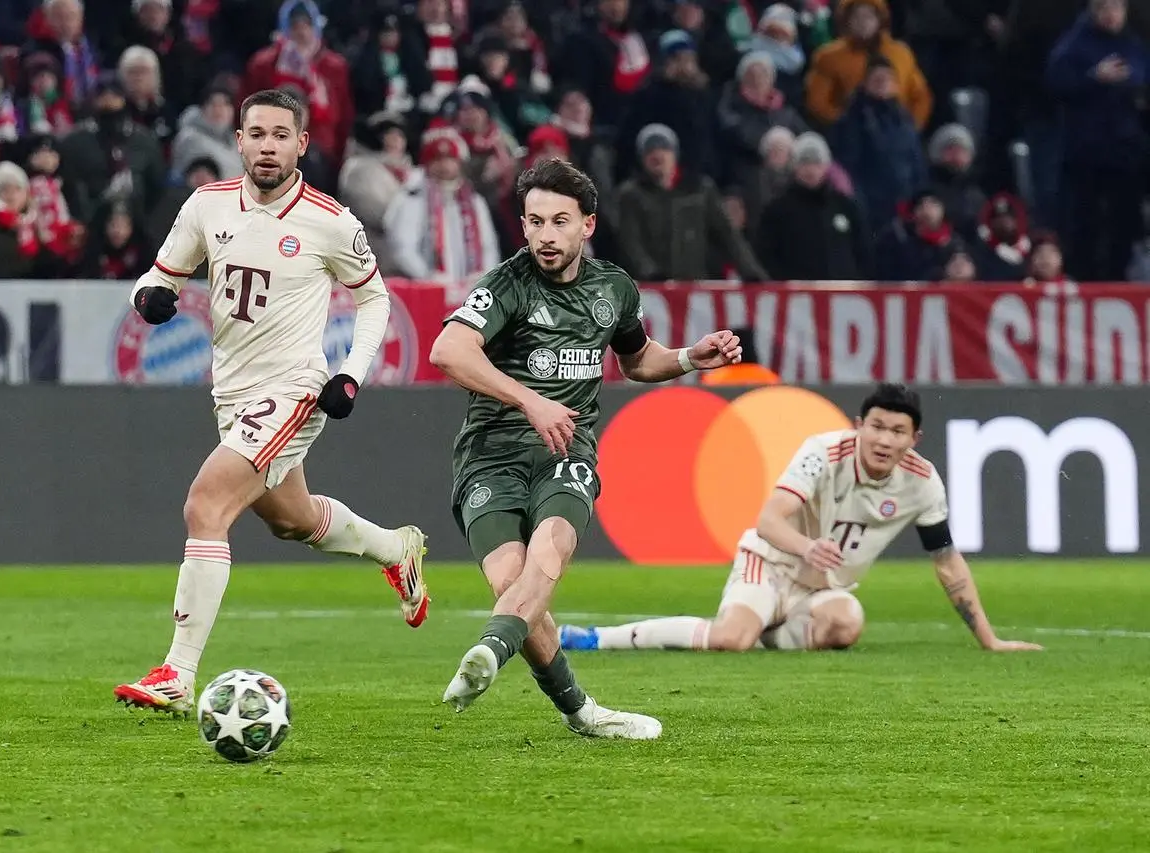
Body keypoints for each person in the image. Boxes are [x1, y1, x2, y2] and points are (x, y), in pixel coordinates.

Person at [113, 89, 429, 714]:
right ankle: (396, 548)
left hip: (292, 390)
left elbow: (375, 300)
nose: (267, 145)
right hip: (231, 392)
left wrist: (352, 375)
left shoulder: (330, 221)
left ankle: (176, 674)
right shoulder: (206, 206)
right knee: (292, 519)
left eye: (280, 135)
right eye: (256, 133)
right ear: (239, 140)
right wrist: (146, 298)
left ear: (301, 144)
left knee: (206, 505)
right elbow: (159, 275)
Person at [428, 158, 743, 739]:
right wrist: (531, 401)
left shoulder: (614, 289)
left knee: (555, 545)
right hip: (490, 453)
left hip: (565, 451)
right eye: (534, 222)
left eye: (559, 222)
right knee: (513, 586)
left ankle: (491, 651)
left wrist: (687, 359)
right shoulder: (507, 285)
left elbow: (637, 358)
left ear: (587, 225)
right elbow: (448, 351)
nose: (545, 236)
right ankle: (580, 712)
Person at [559, 384, 1044, 655]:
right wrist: (807, 547)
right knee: (729, 640)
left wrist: (989, 640)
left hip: (821, 589)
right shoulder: (822, 453)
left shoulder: (922, 483)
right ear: (860, 425)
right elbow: (769, 520)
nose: (883, 439)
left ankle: (766, 631)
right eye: (875, 426)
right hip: (770, 563)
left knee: (846, 624)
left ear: (914, 438)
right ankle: (601, 638)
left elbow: (947, 562)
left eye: (897, 431)